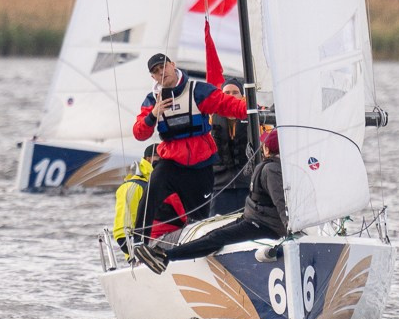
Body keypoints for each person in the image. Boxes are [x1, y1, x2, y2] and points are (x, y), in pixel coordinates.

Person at [130, 52, 248, 245]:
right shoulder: (152, 100)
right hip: (172, 163)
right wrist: (153, 115)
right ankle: (138, 241)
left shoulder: (197, 91)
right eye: (156, 71)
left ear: (172, 65)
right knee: (152, 189)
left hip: (201, 165)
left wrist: (256, 109)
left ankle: (201, 251)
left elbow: (227, 105)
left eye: (163, 67)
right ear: (153, 77)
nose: (161, 72)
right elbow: (139, 133)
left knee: (200, 216)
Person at [158, 127, 288, 262]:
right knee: (213, 234)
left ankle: (167, 257)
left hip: (264, 225)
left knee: (217, 237)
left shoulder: (271, 170)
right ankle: (168, 254)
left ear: (267, 150)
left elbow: (281, 202)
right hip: (254, 219)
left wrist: (290, 231)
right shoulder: (272, 167)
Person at [109, 150, 157, 253]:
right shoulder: (133, 187)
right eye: (160, 157)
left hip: (167, 240)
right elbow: (124, 228)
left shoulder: (162, 181)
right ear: (149, 159)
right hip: (143, 248)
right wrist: (132, 250)